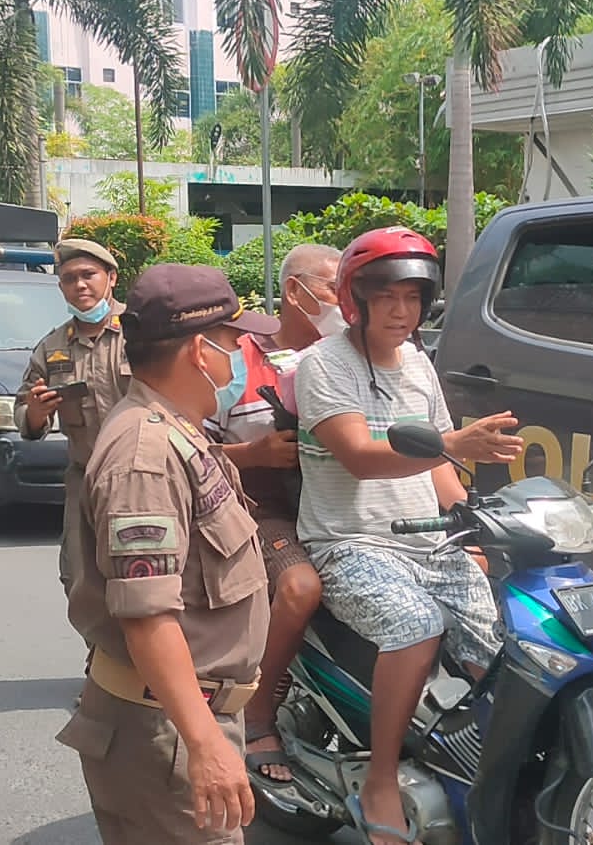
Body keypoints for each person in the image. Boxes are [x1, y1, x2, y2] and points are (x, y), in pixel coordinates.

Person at [295, 227, 524, 845]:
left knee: (499, 646)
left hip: (429, 542)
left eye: (414, 298)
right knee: (415, 625)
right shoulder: (323, 364)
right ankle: (381, 779)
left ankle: (477, 765)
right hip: (350, 543)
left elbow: (439, 468)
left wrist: (477, 521)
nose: (403, 311)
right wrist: (453, 442)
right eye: (387, 297)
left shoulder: (419, 364)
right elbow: (359, 456)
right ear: (356, 299)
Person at [56, 263, 278, 844]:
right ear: (200, 352)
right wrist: (205, 744)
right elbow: (148, 617)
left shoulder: (177, 430)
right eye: (233, 343)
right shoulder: (146, 456)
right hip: (167, 731)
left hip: (180, 719)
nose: (240, 358)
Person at [205, 242, 342, 785]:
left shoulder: (354, 356)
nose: (345, 301)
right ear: (294, 290)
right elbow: (190, 448)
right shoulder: (237, 359)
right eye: (334, 287)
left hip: (342, 506)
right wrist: (254, 454)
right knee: (301, 588)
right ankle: (259, 716)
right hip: (262, 506)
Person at [15, 238, 131, 599]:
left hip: (141, 476)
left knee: (142, 578)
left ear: (111, 278)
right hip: (84, 481)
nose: (79, 285)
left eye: (88, 275)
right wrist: (35, 414)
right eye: (69, 278)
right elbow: (24, 413)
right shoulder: (52, 347)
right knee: (82, 582)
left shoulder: (142, 332)